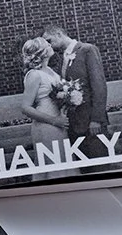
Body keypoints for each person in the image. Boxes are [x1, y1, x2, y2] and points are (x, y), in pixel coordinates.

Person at [42, 24, 108, 160]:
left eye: (49, 41)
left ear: (59, 34)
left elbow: (99, 86)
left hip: (90, 122)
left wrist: (96, 119)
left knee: (99, 164)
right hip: (74, 124)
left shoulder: (87, 50)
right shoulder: (62, 58)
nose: (49, 45)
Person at [19, 37, 70, 147]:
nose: (51, 46)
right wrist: (53, 121)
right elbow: (25, 108)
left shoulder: (49, 70)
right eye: (47, 45)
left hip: (59, 121)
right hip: (46, 123)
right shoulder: (34, 75)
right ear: (41, 52)